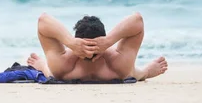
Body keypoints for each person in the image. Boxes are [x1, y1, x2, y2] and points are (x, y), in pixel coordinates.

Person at [26, 12, 168, 82]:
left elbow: (43, 21)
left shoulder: (63, 66)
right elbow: (138, 21)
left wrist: (108, 41)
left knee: (50, 71)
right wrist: (70, 42)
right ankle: (146, 72)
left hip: (67, 68)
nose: (89, 53)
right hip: (115, 69)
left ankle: (145, 71)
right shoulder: (118, 66)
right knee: (132, 72)